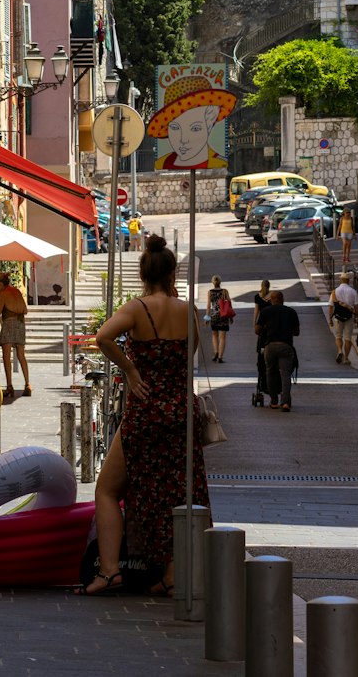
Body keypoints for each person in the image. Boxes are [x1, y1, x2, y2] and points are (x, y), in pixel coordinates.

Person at [84, 234, 210, 597]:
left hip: (147, 410)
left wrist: (131, 370)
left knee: (107, 489)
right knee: (176, 493)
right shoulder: (188, 311)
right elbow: (189, 360)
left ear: (143, 273)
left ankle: (109, 571)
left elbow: (103, 337)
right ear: (172, 273)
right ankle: (172, 575)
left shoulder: (138, 309)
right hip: (181, 410)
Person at [259, 289, 300, 411]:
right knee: (285, 374)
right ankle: (286, 402)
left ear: (271, 300)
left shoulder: (265, 311)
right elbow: (297, 332)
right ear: (283, 300)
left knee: (270, 372)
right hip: (286, 346)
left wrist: (266, 328)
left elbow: (257, 329)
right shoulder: (291, 312)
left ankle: (273, 401)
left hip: (270, 346)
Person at [0, 272, 31, 399]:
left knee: (7, 357)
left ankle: (9, 386)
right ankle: (27, 384)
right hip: (20, 323)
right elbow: (25, 310)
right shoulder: (18, 292)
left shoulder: (3, 294)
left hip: (9, 323)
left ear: (0, 283)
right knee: (21, 355)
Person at [330, 271, 358, 364]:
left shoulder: (335, 291)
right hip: (349, 317)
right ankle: (346, 358)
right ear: (348, 281)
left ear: (341, 280)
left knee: (338, 336)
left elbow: (330, 306)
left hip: (338, 317)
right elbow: (357, 306)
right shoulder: (353, 291)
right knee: (348, 338)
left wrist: (330, 318)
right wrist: (357, 314)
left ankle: (339, 350)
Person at [253, 280, 272, 402]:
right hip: (270, 325)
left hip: (261, 325)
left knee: (261, 356)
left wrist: (254, 323)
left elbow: (256, 311)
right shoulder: (272, 297)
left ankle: (262, 385)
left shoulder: (257, 297)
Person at [206, 275, 233, 363]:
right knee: (222, 337)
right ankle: (220, 357)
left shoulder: (210, 292)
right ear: (220, 282)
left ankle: (215, 353)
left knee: (214, 335)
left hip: (214, 316)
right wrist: (231, 316)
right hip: (223, 316)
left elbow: (208, 306)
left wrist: (207, 317)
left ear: (213, 282)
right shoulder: (225, 291)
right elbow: (229, 303)